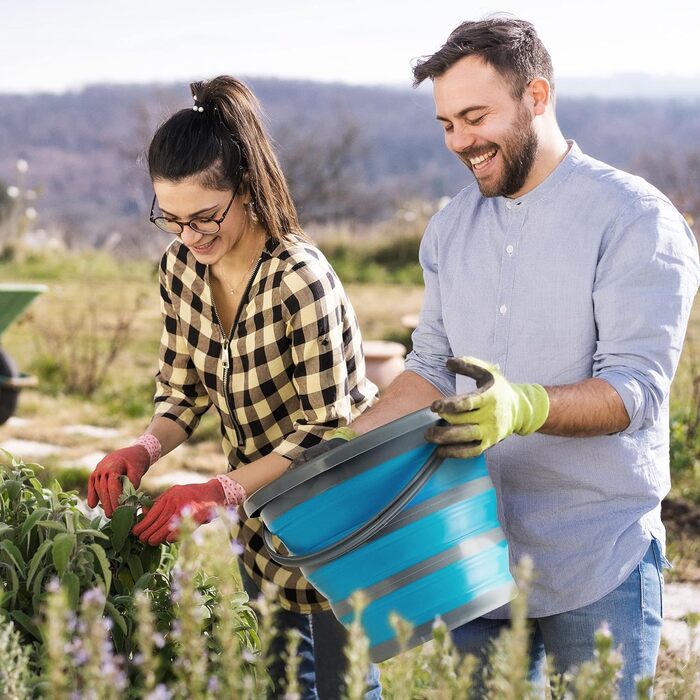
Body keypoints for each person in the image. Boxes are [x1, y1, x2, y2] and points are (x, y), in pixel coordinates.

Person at [305, 17, 699, 699]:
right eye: (447, 124)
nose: (461, 141)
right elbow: (428, 368)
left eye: (475, 116)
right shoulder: (451, 228)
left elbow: (635, 391)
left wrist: (524, 405)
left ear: (536, 96)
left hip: (595, 559)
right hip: (470, 556)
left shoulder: (634, 219)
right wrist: (345, 444)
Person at [86, 76, 382, 700]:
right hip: (262, 520)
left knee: (345, 684)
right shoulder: (180, 269)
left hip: (341, 514)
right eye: (171, 219)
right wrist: (144, 447)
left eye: (203, 218)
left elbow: (330, 432)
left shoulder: (300, 280)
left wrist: (220, 490)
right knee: (279, 681)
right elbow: (182, 387)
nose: (190, 237)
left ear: (246, 188)